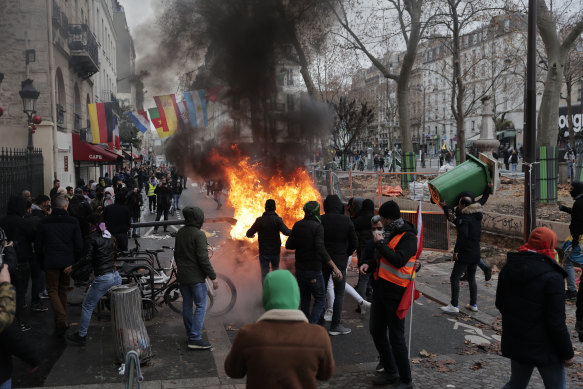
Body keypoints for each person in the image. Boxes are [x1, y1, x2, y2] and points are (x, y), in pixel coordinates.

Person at [224, 269, 335, 388]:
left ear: (266, 297)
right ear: (295, 296)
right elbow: (325, 374)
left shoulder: (248, 334)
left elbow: (233, 371)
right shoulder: (318, 335)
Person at [496, 227, 574, 389]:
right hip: (546, 348)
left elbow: (500, 303)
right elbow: (556, 322)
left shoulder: (509, 267)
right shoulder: (554, 277)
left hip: (517, 339)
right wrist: (567, 353)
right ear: (551, 245)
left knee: (516, 383)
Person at [359, 200, 416, 388]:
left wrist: (381, 243)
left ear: (388, 218)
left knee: (396, 337)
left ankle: (405, 379)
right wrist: (370, 265)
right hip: (380, 291)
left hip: (396, 294)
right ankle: (391, 372)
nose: (381, 221)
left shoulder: (407, 236)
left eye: (383, 217)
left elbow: (398, 260)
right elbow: (383, 259)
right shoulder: (389, 233)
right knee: (376, 330)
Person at [66, 214, 122, 345]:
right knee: (116, 304)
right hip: (115, 275)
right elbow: (115, 253)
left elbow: (87, 258)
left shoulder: (91, 238)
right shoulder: (110, 236)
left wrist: (73, 267)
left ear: (90, 225)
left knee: (87, 306)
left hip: (104, 277)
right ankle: (122, 331)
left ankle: (82, 336)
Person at [285, 201, 342, 324]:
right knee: (320, 299)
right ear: (316, 212)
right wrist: (335, 267)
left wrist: (301, 242)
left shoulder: (297, 225)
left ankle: (305, 324)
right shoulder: (318, 226)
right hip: (313, 269)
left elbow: (289, 245)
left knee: (305, 298)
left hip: (300, 268)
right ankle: (311, 326)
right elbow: (320, 248)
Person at [35, 195, 83, 337]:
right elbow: (78, 245)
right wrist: (75, 263)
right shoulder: (73, 221)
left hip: (50, 261)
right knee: (62, 289)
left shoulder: (44, 222)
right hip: (67, 262)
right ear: (65, 206)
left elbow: (38, 246)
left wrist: (41, 262)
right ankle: (62, 319)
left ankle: (60, 319)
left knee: (52, 289)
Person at [174, 206, 218, 349]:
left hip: (183, 276)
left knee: (187, 304)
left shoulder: (180, 232)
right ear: (198, 219)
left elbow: (177, 254)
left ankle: (190, 333)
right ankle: (195, 338)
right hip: (196, 278)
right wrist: (213, 277)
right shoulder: (198, 235)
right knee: (201, 306)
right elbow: (203, 259)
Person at [440, 191, 484, 314]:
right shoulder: (476, 216)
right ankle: (473, 304)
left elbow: (463, 235)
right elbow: (453, 218)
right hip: (475, 252)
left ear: (463, 205)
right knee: (471, 278)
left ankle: (454, 305)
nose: (458, 207)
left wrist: (456, 251)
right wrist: (445, 207)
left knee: (454, 277)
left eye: (459, 204)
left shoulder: (465, 218)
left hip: (465, 252)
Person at [320, 195, 358, 335]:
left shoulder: (321, 220)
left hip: (324, 260)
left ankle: (319, 323)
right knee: (339, 293)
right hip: (340, 262)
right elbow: (354, 242)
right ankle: (335, 325)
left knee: (321, 291)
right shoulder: (346, 221)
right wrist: (346, 253)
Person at [0, 196, 36, 331]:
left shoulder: (2, 221)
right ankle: (17, 322)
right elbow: (33, 236)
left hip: (4, 263)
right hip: (21, 261)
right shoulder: (23, 222)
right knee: (20, 294)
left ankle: (7, 319)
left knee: (5, 290)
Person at [246, 199, 291, 283]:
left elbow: (248, 233)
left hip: (263, 253)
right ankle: (275, 292)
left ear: (265, 208)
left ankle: (266, 293)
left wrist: (252, 235)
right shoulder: (277, 220)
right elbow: (287, 232)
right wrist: (297, 229)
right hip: (275, 252)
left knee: (264, 274)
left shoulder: (259, 220)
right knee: (275, 273)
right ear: (274, 208)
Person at [559, 182, 583, 305]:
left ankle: (572, 291)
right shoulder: (580, 202)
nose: (569, 191)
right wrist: (564, 209)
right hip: (580, 238)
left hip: (579, 239)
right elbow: (577, 214)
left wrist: (574, 241)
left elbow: (579, 223)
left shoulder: (579, 203)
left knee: (567, 263)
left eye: (572, 188)